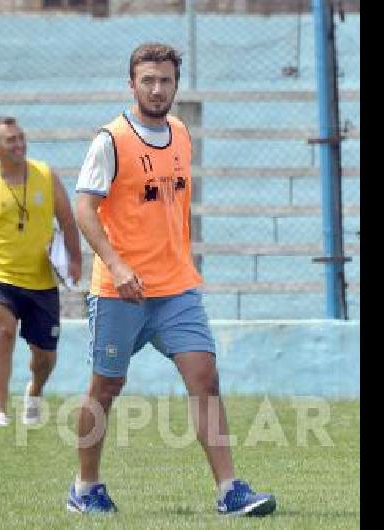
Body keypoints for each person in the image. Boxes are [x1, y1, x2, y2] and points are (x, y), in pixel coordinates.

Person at [66, 43, 276, 516]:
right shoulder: (111, 139)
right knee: (105, 388)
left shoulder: (180, 132)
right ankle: (85, 488)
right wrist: (118, 266)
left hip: (176, 288)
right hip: (120, 292)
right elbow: (84, 208)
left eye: (165, 81)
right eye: (148, 80)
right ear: (132, 84)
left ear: (175, 85)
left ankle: (230, 491)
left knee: (204, 377)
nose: (157, 89)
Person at [0, 116, 82, 427]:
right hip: (0, 276)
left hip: (42, 279)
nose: (18, 144)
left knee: (45, 357)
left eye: (21, 137)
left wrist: (76, 260)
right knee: (3, 333)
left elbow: (67, 220)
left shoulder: (45, 175)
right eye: (10, 140)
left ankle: (35, 390)